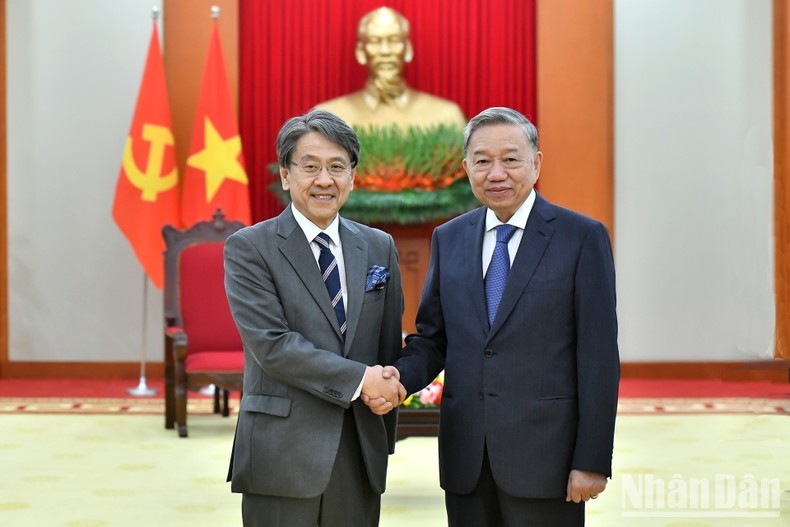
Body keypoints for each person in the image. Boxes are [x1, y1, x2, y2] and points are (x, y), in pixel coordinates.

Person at [367, 107, 620, 526]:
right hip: (467, 459)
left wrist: (592, 459)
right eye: (482, 161)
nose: (496, 173)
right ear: (466, 168)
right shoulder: (449, 238)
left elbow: (598, 356)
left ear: (536, 163)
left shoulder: (581, 238)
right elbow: (434, 339)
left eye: (511, 159)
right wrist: (398, 381)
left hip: (548, 460)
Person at [224, 108, 405, 527]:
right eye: (311, 167)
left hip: (359, 448)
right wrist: (363, 381)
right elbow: (273, 345)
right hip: (281, 451)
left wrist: (382, 426)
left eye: (337, 167)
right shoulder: (250, 248)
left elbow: (385, 345)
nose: (325, 180)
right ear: (286, 176)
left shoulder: (379, 247)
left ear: (353, 178)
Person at [316, 6, 466, 130]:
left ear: (408, 50)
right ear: (361, 52)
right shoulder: (329, 117)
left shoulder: (446, 116)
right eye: (375, 41)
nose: (385, 51)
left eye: (394, 40)